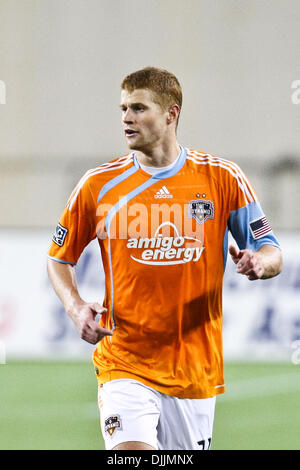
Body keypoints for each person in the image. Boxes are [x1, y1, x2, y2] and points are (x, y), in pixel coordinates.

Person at [47, 66, 282, 451]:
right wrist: (75, 308)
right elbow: (58, 258)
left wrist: (261, 263)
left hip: (193, 368)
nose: (126, 118)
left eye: (138, 108)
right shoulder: (97, 185)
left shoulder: (221, 178)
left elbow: (272, 250)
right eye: (123, 108)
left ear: (171, 113)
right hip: (124, 360)